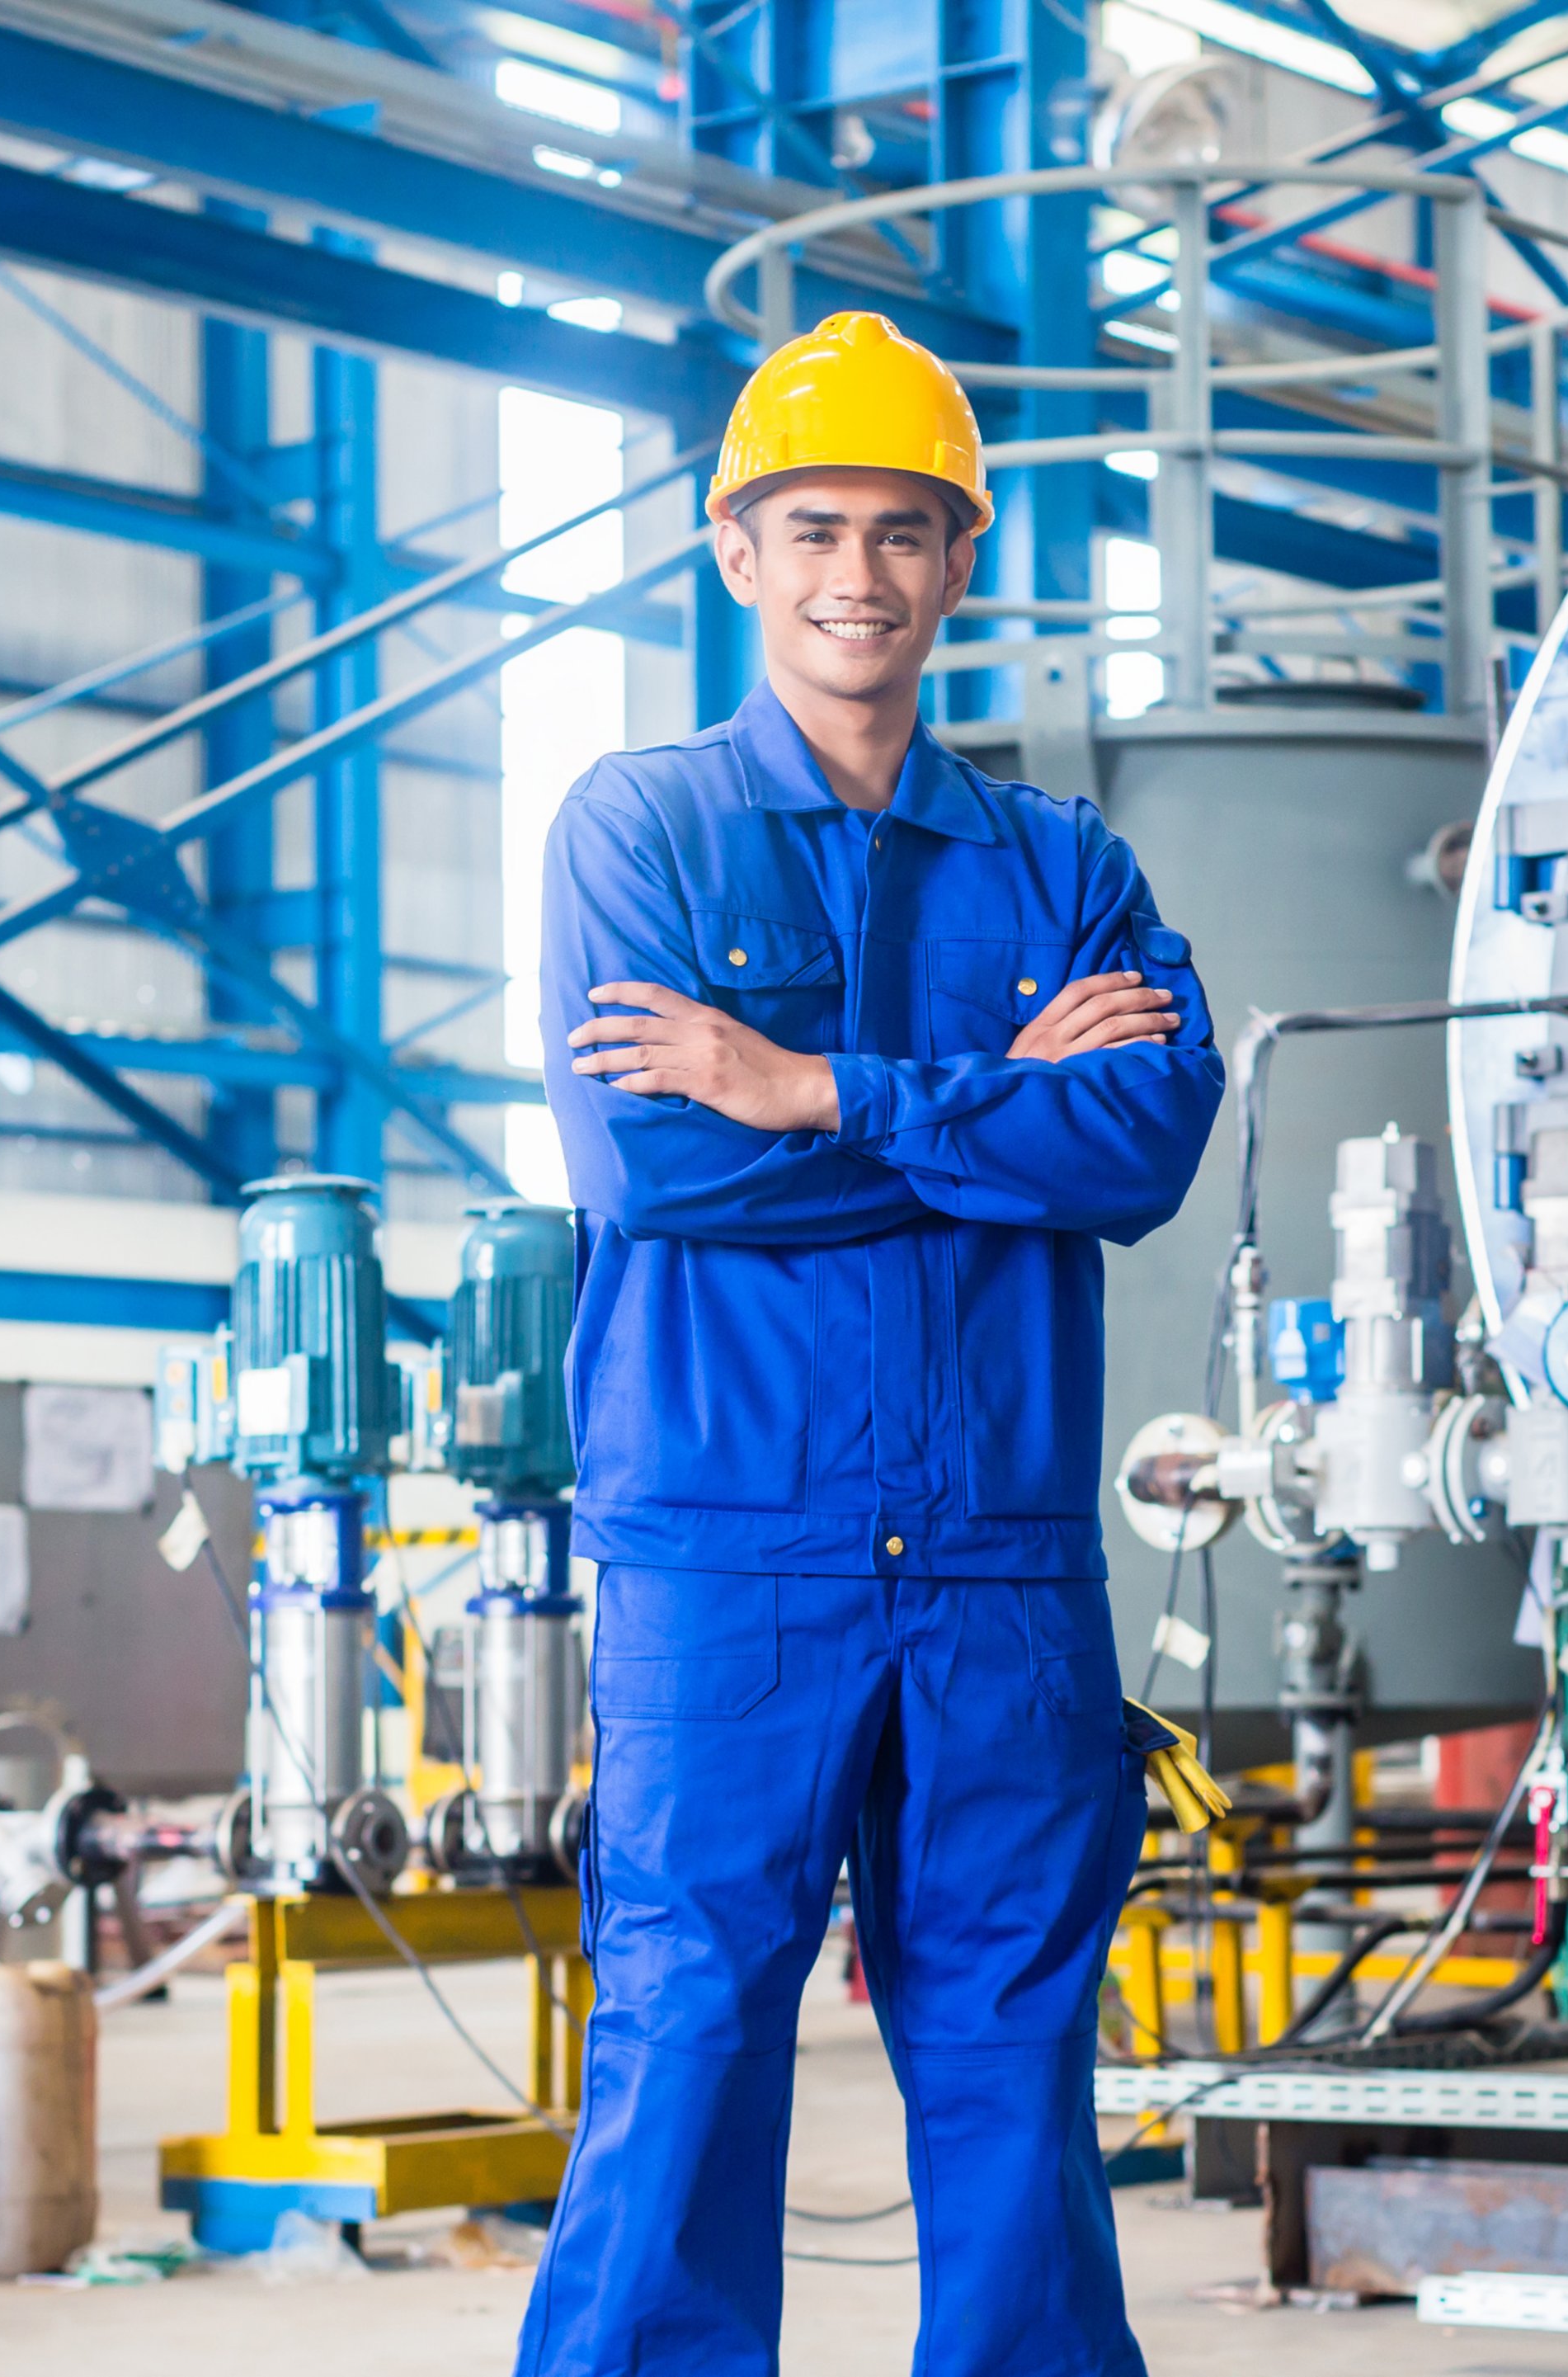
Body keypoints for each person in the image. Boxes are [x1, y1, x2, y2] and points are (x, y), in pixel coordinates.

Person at [512, 311, 1225, 2377]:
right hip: (729, 1556)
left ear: (960, 560)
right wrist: (992, 1104)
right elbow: (662, 1175)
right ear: (733, 551)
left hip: (1002, 1567)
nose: (858, 574)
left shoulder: (1060, 862)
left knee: (1013, 2049)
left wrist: (818, 1088)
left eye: (904, 530)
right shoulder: (638, 833)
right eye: (813, 526)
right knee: (688, 2031)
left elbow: (1148, 1140)